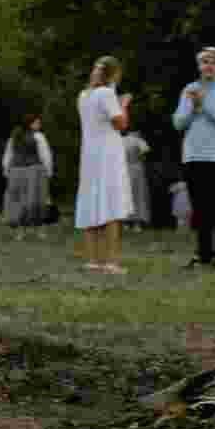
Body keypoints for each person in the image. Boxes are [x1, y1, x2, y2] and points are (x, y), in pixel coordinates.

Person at [171, 46, 215, 269]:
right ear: (199, 65)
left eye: (213, 62)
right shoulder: (190, 89)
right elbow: (178, 122)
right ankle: (202, 255)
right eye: (204, 62)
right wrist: (193, 107)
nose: (208, 66)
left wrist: (204, 105)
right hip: (193, 156)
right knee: (199, 209)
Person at [75, 56, 133, 274]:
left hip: (89, 155)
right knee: (111, 206)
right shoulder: (107, 94)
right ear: (115, 74)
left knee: (91, 203)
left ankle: (93, 260)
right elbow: (121, 124)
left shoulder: (83, 95)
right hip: (108, 155)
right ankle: (111, 262)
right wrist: (123, 105)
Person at [1, 113, 54, 241]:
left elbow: (8, 155)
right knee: (38, 200)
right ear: (30, 124)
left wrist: (6, 170)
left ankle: (20, 233)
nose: (39, 124)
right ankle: (40, 231)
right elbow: (45, 155)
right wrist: (49, 171)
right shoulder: (38, 137)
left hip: (16, 171)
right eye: (37, 122)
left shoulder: (14, 137)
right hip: (34, 171)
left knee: (18, 202)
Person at [122, 130, 152, 232]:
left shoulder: (121, 140)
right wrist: (140, 158)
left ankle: (125, 222)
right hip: (137, 168)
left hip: (123, 170)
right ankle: (137, 223)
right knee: (138, 195)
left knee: (125, 195)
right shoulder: (138, 140)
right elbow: (145, 151)